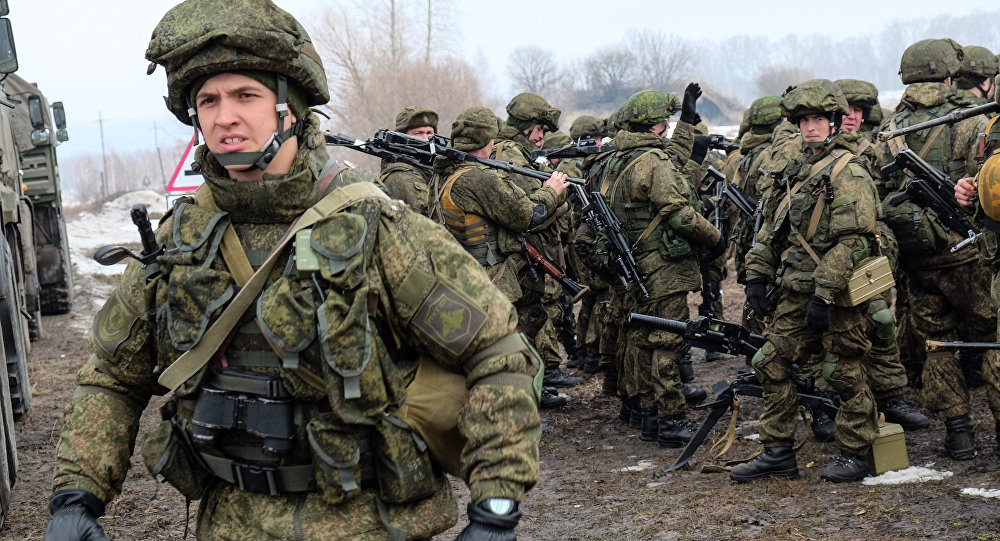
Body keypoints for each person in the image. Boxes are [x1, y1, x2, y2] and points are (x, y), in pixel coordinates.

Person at [45, 2, 542, 539]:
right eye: (207, 100)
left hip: (367, 526)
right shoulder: (182, 238)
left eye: (245, 96)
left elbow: (497, 353)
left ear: (290, 107)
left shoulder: (376, 226)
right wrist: (77, 496)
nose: (223, 116)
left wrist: (496, 507)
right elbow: (112, 377)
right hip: (229, 525)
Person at [735, 79, 880, 483]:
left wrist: (824, 293)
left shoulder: (848, 171)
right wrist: (756, 278)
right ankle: (777, 450)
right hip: (794, 290)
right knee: (769, 362)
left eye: (818, 119)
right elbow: (771, 231)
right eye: (803, 120)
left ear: (835, 122)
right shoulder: (792, 169)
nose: (810, 127)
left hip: (837, 293)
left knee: (842, 372)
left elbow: (854, 241)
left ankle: (856, 452)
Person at [874, 38, 997, 460]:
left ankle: (958, 432)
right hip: (969, 255)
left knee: (937, 344)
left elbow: (879, 192)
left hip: (918, 259)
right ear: (949, 74)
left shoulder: (889, 130)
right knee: (991, 339)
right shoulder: (971, 120)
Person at [596, 89, 723, 448]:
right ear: (655, 126)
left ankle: (648, 413)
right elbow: (679, 213)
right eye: (665, 123)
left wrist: (685, 122)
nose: (668, 129)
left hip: (635, 264)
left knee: (639, 338)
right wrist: (713, 238)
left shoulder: (616, 162)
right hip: (662, 266)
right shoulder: (652, 162)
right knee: (667, 342)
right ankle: (671, 418)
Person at [437, 106, 572, 409]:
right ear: (488, 141)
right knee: (505, 347)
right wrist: (552, 190)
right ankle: (510, 405)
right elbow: (527, 215)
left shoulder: (447, 170)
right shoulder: (477, 178)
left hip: (469, 276)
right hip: (490, 280)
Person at [834, 79, 930, 433]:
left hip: (872, 252)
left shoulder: (879, 149)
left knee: (882, 321)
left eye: (858, 111)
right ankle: (829, 402)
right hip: (828, 255)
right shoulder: (811, 155)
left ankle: (890, 397)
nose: (851, 118)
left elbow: (895, 194)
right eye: (844, 111)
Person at [492, 93, 584, 390]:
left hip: (531, 253)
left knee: (535, 316)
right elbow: (527, 212)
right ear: (527, 126)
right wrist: (557, 196)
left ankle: (535, 381)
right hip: (519, 255)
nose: (542, 137)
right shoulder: (510, 154)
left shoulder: (519, 152)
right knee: (525, 321)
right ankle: (529, 385)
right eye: (540, 130)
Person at [380, 106, 439, 216]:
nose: (426, 139)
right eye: (418, 133)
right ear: (402, 138)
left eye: (429, 133)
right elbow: (428, 220)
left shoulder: (426, 166)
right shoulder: (401, 176)